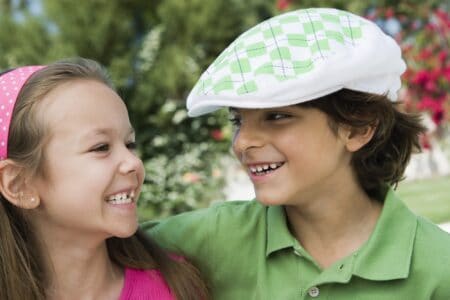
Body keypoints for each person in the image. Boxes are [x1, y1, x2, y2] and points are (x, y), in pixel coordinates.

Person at [144, 7, 450, 299]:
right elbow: (106, 249)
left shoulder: (437, 268)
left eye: (277, 116)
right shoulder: (212, 239)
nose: (241, 142)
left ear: (358, 129)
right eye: (238, 120)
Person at [0, 58, 208, 300]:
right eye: (100, 147)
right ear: (19, 185)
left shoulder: (175, 287)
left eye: (130, 144)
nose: (133, 163)